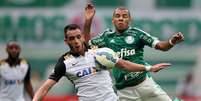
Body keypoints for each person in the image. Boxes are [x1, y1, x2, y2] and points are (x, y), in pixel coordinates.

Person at [32, 24, 170, 101]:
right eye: (71, 38)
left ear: (82, 38)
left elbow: (124, 64)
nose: (75, 41)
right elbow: (45, 87)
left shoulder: (98, 52)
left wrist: (149, 68)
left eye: (78, 37)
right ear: (66, 41)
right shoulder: (64, 62)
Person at [84, 4, 185, 101]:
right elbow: (87, 46)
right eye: (117, 16)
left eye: (124, 16)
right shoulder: (106, 37)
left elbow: (161, 46)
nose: (121, 18)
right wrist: (88, 21)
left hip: (145, 85)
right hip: (124, 91)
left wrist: (172, 41)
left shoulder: (137, 34)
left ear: (129, 19)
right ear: (113, 20)